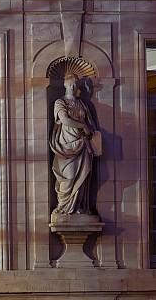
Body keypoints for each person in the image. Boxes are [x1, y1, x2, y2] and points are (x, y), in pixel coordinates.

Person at [49, 74, 98, 217]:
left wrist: (89, 131)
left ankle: (78, 207)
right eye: (70, 82)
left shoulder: (81, 104)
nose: (73, 84)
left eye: (75, 82)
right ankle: (63, 207)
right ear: (65, 84)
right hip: (66, 145)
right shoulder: (60, 102)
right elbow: (64, 119)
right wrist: (82, 125)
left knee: (83, 175)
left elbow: (90, 125)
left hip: (82, 144)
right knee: (69, 176)